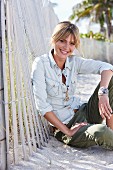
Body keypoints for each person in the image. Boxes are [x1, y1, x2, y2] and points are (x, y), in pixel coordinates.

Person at [31, 21, 113, 150]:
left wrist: (103, 93)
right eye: (62, 41)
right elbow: (43, 107)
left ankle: (111, 133)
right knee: (100, 132)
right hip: (67, 126)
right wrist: (68, 132)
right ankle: (109, 135)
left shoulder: (74, 62)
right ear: (54, 39)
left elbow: (107, 67)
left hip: (85, 112)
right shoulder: (41, 64)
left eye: (72, 43)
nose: (66, 47)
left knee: (111, 78)